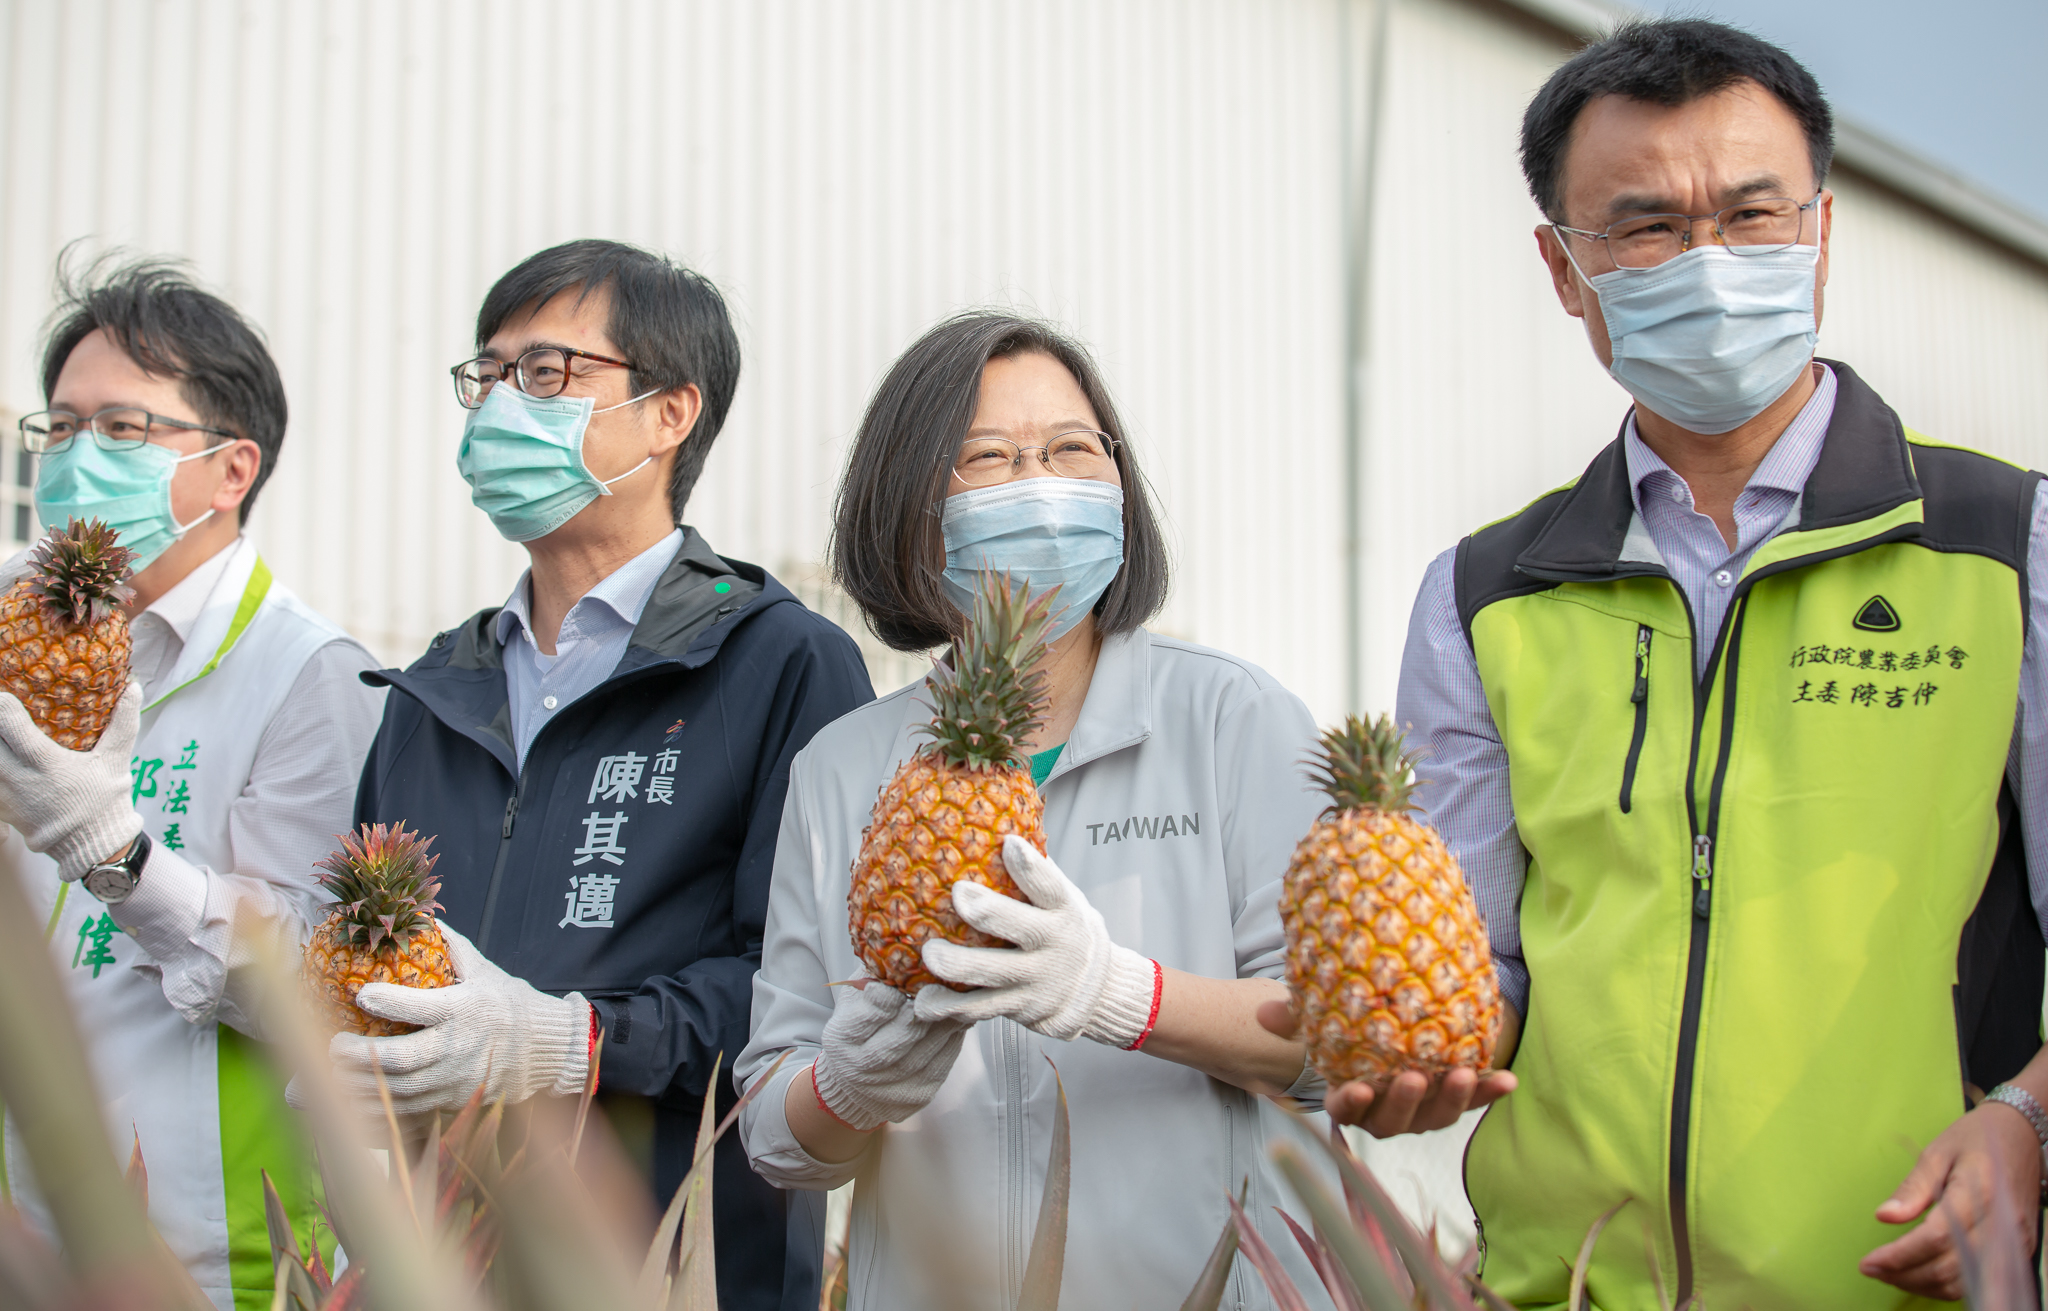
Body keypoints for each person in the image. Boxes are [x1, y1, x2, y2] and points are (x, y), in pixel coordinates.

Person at [1317, 18, 2048, 1308]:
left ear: (1821, 232)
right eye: (1644, 229)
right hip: (1568, 1285)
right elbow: (1481, 961)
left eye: (1751, 215)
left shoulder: (2005, 548)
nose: (1706, 263)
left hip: (1894, 1279)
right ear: (1562, 269)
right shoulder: (1483, 596)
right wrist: (1403, 1049)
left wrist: (2024, 1122)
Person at [738, 311, 1336, 1310]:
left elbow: (1327, 1047)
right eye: (988, 458)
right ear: (910, 507)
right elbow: (772, 1135)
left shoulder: (1233, 719)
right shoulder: (843, 770)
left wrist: (1117, 993)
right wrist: (848, 1089)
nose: (1043, 488)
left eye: (1071, 450)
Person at [336, 239, 872, 1311]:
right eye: (486, 375)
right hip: (440, 1258)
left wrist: (574, 1042)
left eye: (546, 372)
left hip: (672, 1256)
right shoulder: (432, 687)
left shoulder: (778, 663)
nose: (498, 406)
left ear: (671, 413)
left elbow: (809, 989)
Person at [0, 254, 384, 1310]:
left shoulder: (313, 675)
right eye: (60, 427)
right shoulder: (13, 630)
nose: (77, 459)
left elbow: (313, 980)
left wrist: (112, 856)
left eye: (124, 430)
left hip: (216, 1257)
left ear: (231, 470)